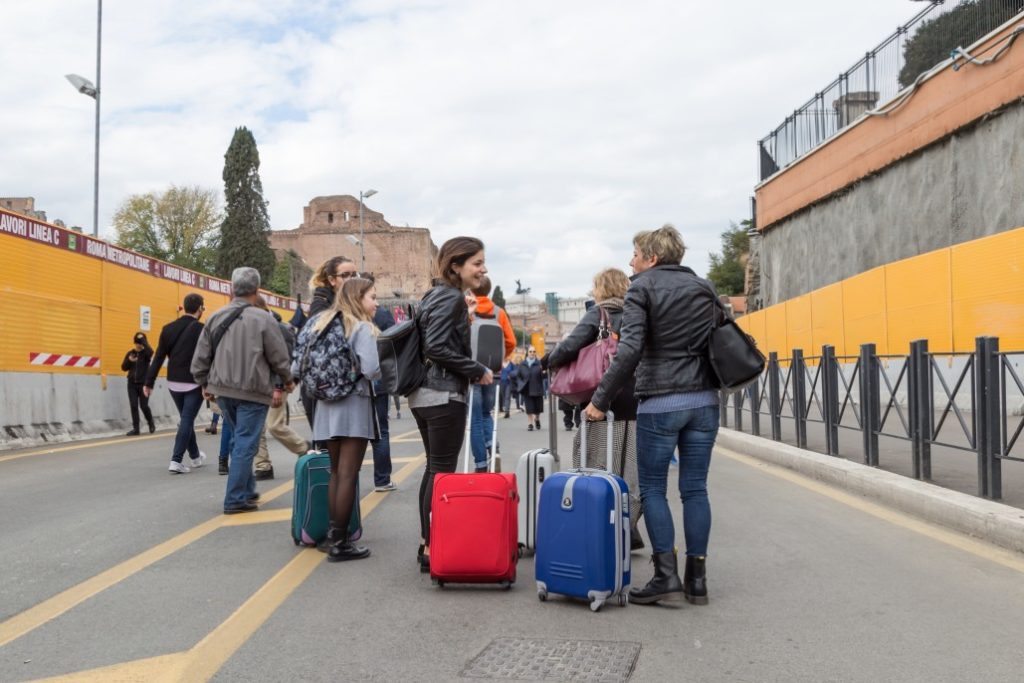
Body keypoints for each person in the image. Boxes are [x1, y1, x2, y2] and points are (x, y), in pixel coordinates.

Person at [583, 224, 720, 606]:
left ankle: (666, 576)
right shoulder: (704, 287)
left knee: (654, 489)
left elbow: (628, 352)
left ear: (652, 257)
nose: (631, 262)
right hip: (705, 401)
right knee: (695, 488)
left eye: (635, 255)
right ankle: (697, 579)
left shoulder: (642, 288)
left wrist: (599, 400)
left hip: (660, 402)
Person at [409, 237, 493, 572]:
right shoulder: (450, 298)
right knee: (442, 472)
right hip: (443, 394)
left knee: (434, 469)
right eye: (477, 263)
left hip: (425, 394)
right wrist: (477, 369)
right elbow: (436, 347)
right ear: (456, 266)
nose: (483, 269)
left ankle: (427, 543)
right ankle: (432, 546)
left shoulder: (434, 294)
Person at [546, 267, 644, 550]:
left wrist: (549, 360)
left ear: (601, 289)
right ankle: (628, 525)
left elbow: (569, 347)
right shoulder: (635, 314)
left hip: (601, 402)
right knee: (629, 468)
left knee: (595, 463)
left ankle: (599, 525)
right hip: (634, 400)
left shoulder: (598, 314)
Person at [191, 267, 294, 514]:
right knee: (246, 443)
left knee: (240, 439)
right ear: (257, 290)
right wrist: (287, 379)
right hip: (253, 390)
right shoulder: (265, 319)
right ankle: (235, 498)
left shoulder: (215, 317)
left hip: (224, 391)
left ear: (231, 288)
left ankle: (247, 492)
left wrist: (204, 383)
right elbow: (278, 357)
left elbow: (201, 358)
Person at [297, 276, 381, 561]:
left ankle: (333, 535)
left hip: (324, 404)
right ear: (358, 299)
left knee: (335, 472)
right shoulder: (361, 328)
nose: (376, 303)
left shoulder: (317, 323)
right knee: (348, 473)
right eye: (372, 297)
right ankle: (339, 542)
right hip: (353, 403)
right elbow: (371, 369)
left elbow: (298, 361)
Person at [144, 293, 207, 474]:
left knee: (187, 419)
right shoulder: (203, 330)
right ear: (200, 309)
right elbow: (208, 357)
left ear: (184, 307)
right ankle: (176, 460)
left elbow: (158, 358)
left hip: (173, 383)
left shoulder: (168, 328)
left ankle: (195, 457)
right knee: (187, 420)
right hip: (194, 382)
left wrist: (149, 382)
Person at [251, 296, 310, 481]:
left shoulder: (281, 329)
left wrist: (279, 386)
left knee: (275, 425)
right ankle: (263, 465)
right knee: (256, 428)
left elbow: (284, 361)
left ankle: (304, 447)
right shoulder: (252, 327)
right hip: (256, 385)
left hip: (277, 384)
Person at [302, 256, 359, 443]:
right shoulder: (321, 304)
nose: (351, 279)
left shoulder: (343, 301)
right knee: (332, 453)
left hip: (337, 385)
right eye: (345, 275)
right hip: (325, 387)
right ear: (332, 280)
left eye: (354, 274)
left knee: (342, 455)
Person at [469, 276, 516, 471]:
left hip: (471, 371)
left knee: (475, 419)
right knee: (487, 413)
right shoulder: (499, 312)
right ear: (488, 291)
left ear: (471, 290)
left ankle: (481, 464)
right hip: (492, 372)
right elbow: (511, 341)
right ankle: (493, 448)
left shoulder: (468, 311)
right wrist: (499, 359)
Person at [362, 271, 398, 492]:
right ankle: (382, 479)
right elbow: (395, 345)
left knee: (354, 433)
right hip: (378, 378)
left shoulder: (346, 315)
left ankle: (347, 481)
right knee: (381, 431)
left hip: (357, 381)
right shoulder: (384, 315)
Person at [122, 332, 156, 436]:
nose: (138, 345)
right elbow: (123, 367)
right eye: (136, 342)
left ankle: (150, 422)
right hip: (131, 384)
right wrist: (129, 360)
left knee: (144, 406)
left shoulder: (146, 354)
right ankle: (136, 429)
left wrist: (144, 341)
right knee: (133, 405)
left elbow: (151, 351)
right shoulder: (130, 353)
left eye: (140, 342)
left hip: (144, 384)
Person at [516, 347, 546, 431]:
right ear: (527, 353)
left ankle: (537, 419)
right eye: (530, 351)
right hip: (527, 389)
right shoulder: (523, 364)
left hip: (537, 388)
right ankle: (530, 423)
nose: (532, 353)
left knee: (538, 408)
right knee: (529, 408)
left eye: (534, 351)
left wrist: (544, 372)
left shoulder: (539, 363)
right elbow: (518, 376)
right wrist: (520, 384)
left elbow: (544, 377)